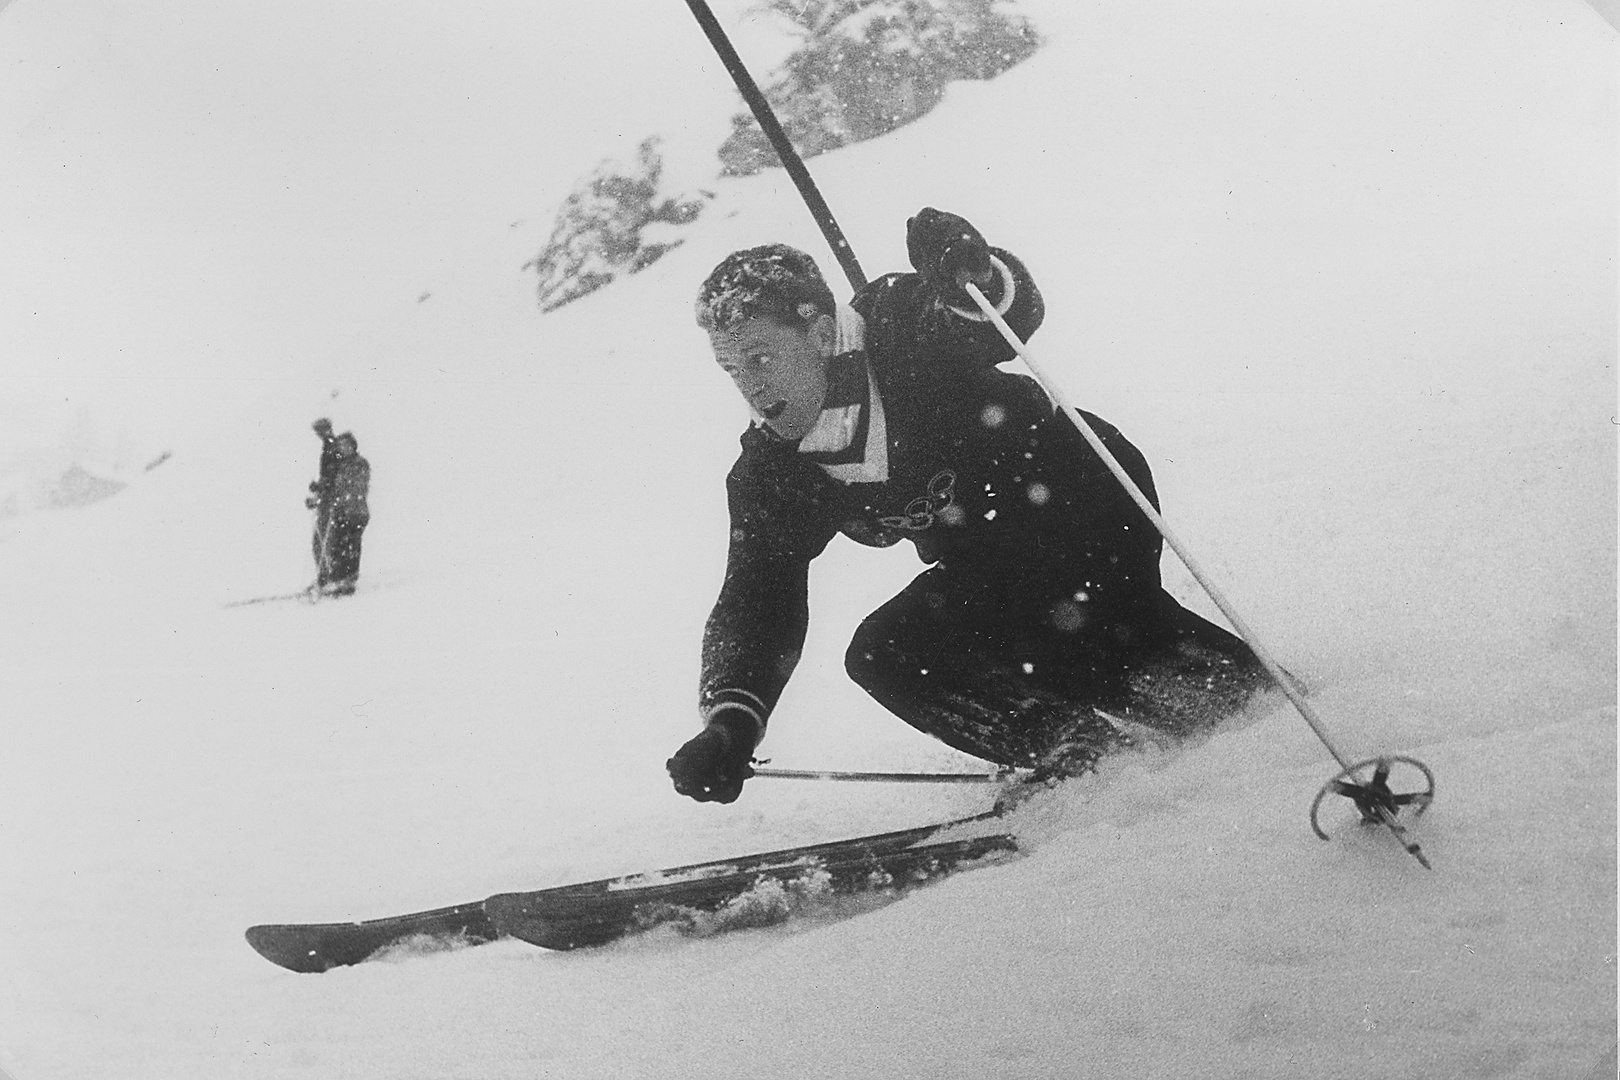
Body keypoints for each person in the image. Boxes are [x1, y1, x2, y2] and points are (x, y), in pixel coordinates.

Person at [665, 208, 1271, 804]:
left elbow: (1003, 317)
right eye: (731, 368)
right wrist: (731, 724)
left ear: (821, 334)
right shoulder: (773, 471)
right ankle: (1092, 764)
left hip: (1085, 504)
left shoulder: (897, 324)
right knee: (888, 655)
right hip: (989, 557)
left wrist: (970, 268)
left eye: (763, 357)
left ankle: (1261, 718)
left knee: (1073, 634)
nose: (750, 384)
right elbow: (757, 598)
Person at [305, 419, 371, 597]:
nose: (343, 448)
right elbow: (334, 485)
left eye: (346, 446)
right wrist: (321, 492)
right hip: (343, 510)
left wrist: (328, 495)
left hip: (355, 511)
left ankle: (345, 581)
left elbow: (354, 486)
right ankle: (335, 579)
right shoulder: (342, 463)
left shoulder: (358, 463)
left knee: (349, 546)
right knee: (338, 545)